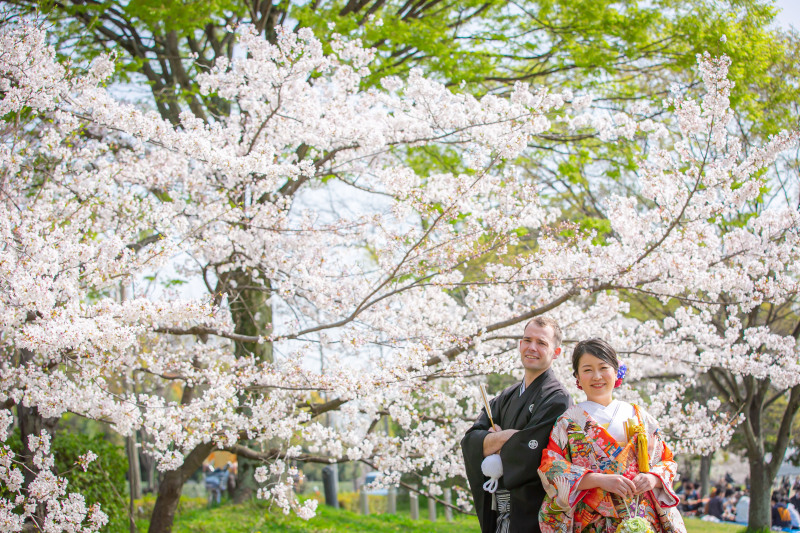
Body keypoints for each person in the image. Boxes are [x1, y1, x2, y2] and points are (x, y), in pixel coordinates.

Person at [538, 338, 686, 533]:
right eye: (587, 370)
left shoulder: (640, 416)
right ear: (577, 377)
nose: (597, 376)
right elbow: (551, 468)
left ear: (616, 371)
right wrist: (599, 480)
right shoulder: (568, 422)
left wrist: (653, 478)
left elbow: (666, 461)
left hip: (641, 519)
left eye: (603, 368)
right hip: (592, 522)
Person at [462, 316, 572, 533]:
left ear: (556, 352)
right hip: (500, 513)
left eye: (541, 343)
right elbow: (470, 440)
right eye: (527, 340)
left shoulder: (557, 398)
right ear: (520, 344)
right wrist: (506, 437)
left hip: (534, 515)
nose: (532, 347)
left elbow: (531, 455)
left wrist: (491, 443)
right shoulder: (507, 396)